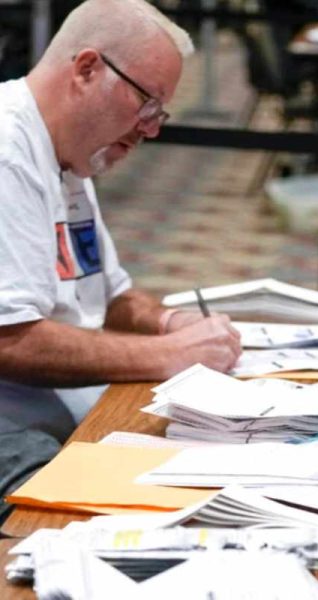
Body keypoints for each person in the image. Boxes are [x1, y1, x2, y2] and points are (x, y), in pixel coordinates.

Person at [0, 0, 242, 443]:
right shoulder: (9, 152)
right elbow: (9, 340)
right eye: (147, 104)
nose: (151, 129)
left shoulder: (72, 151)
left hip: (68, 412)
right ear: (87, 70)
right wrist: (166, 353)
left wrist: (169, 322)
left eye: (159, 113)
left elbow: (109, 296)